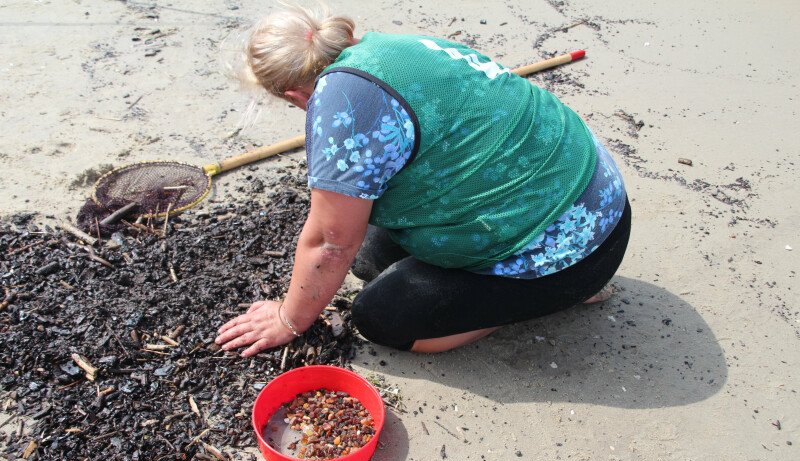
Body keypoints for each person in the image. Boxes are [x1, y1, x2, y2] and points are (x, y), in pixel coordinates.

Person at [215, 4, 631, 356]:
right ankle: (544, 282)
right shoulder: (387, 46)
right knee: (369, 261)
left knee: (383, 320)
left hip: (574, 248)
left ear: (293, 96)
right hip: (601, 195)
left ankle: (549, 298)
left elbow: (330, 243)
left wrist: (289, 319)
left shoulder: (337, 104)